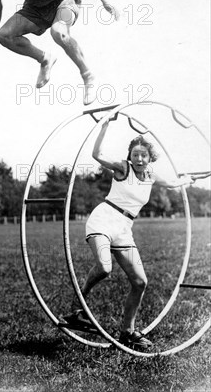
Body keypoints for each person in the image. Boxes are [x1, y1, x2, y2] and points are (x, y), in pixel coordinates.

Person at [59, 118, 199, 349]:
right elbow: (97, 154)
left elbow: (174, 183)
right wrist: (105, 125)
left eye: (143, 155)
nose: (139, 159)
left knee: (140, 281)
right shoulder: (123, 169)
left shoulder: (152, 176)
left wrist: (188, 179)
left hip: (124, 228)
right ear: (130, 156)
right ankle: (77, 309)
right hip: (103, 220)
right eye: (135, 154)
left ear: (150, 157)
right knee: (104, 268)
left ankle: (128, 332)